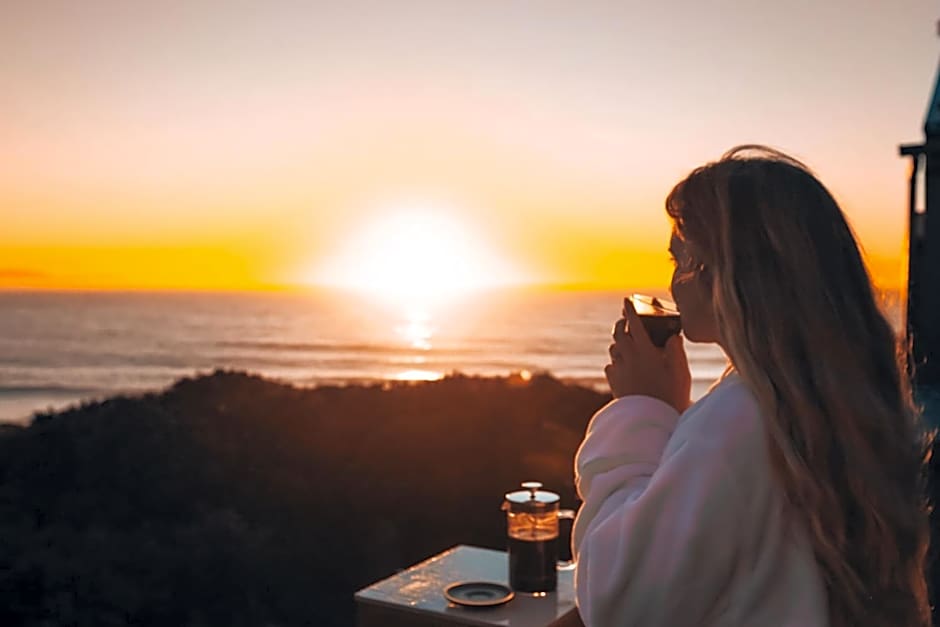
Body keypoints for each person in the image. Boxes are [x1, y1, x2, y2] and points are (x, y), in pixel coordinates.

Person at [571, 146, 932, 627]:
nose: (674, 285)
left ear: (727, 276)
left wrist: (641, 409)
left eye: (683, 260)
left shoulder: (742, 419)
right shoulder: (838, 403)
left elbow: (618, 599)